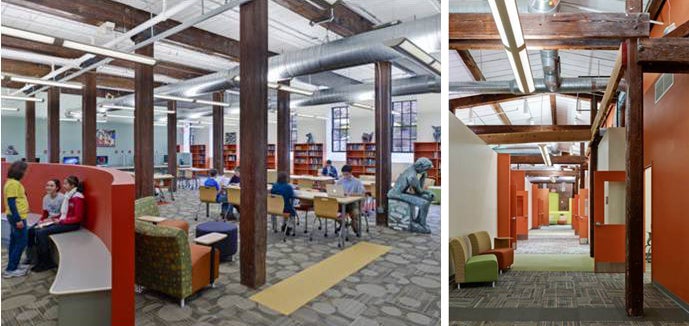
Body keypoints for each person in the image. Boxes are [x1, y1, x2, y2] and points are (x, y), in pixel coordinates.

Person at [32, 176, 85, 272]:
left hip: (72, 224)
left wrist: (61, 221)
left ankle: (46, 262)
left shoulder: (77, 197)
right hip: (63, 221)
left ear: (72, 185)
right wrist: (52, 219)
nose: (63, 186)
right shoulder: (68, 195)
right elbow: (63, 214)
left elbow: (78, 218)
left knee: (41, 233)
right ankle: (41, 260)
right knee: (37, 229)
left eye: (66, 184)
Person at [25, 179, 64, 265]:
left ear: (57, 187)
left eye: (51, 185)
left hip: (57, 220)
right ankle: (31, 257)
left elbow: (63, 214)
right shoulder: (46, 198)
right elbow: (45, 213)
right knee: (30, 231)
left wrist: (50, 220)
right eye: (47, 185)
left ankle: (44, 260)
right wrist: (41, 221)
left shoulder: (62, 198)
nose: (48, 187)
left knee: (39, 233)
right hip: (47, 220)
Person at [3, 161, 31, 278]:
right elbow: (11, 203)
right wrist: (18, 219)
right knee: (21, 242)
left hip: (16, 217)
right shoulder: (13, 184)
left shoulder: (12, 183)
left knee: (14, 242)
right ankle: (11, 269)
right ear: (20, 171)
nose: (26, 173)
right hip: (17, 217)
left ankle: (13, 265)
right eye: (25, 171)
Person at [336, 165, 365, 234]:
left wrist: (349, 194)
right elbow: (335, 190)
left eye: (346, 174)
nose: (345, 176)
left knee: (355, 214)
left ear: (351, 173)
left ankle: (354, 225)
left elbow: (362, 194)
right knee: (331, 212)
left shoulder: (357, 182)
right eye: (343, 174)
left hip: (353, 203)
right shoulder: (340, 181)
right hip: (341, 202)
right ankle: (344, 224)